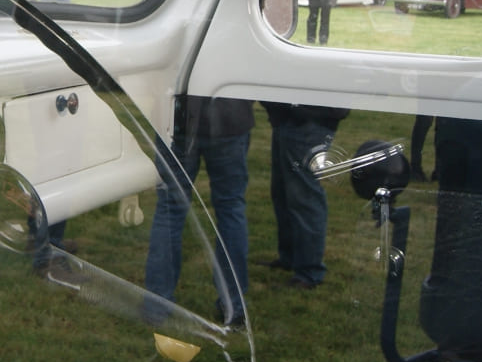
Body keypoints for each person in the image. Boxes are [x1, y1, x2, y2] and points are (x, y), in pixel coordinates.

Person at [144, 96, 255, 326]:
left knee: (170, 210)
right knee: (230, 208)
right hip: (226, 116)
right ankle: (233, 304)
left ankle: (158, 303)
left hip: (179, 116)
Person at [259, 102, 349, 290]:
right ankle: (291, 258)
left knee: (304, 196)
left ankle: (309, 271)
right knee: (283, 192)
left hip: (309, 117)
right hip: (293, 115)